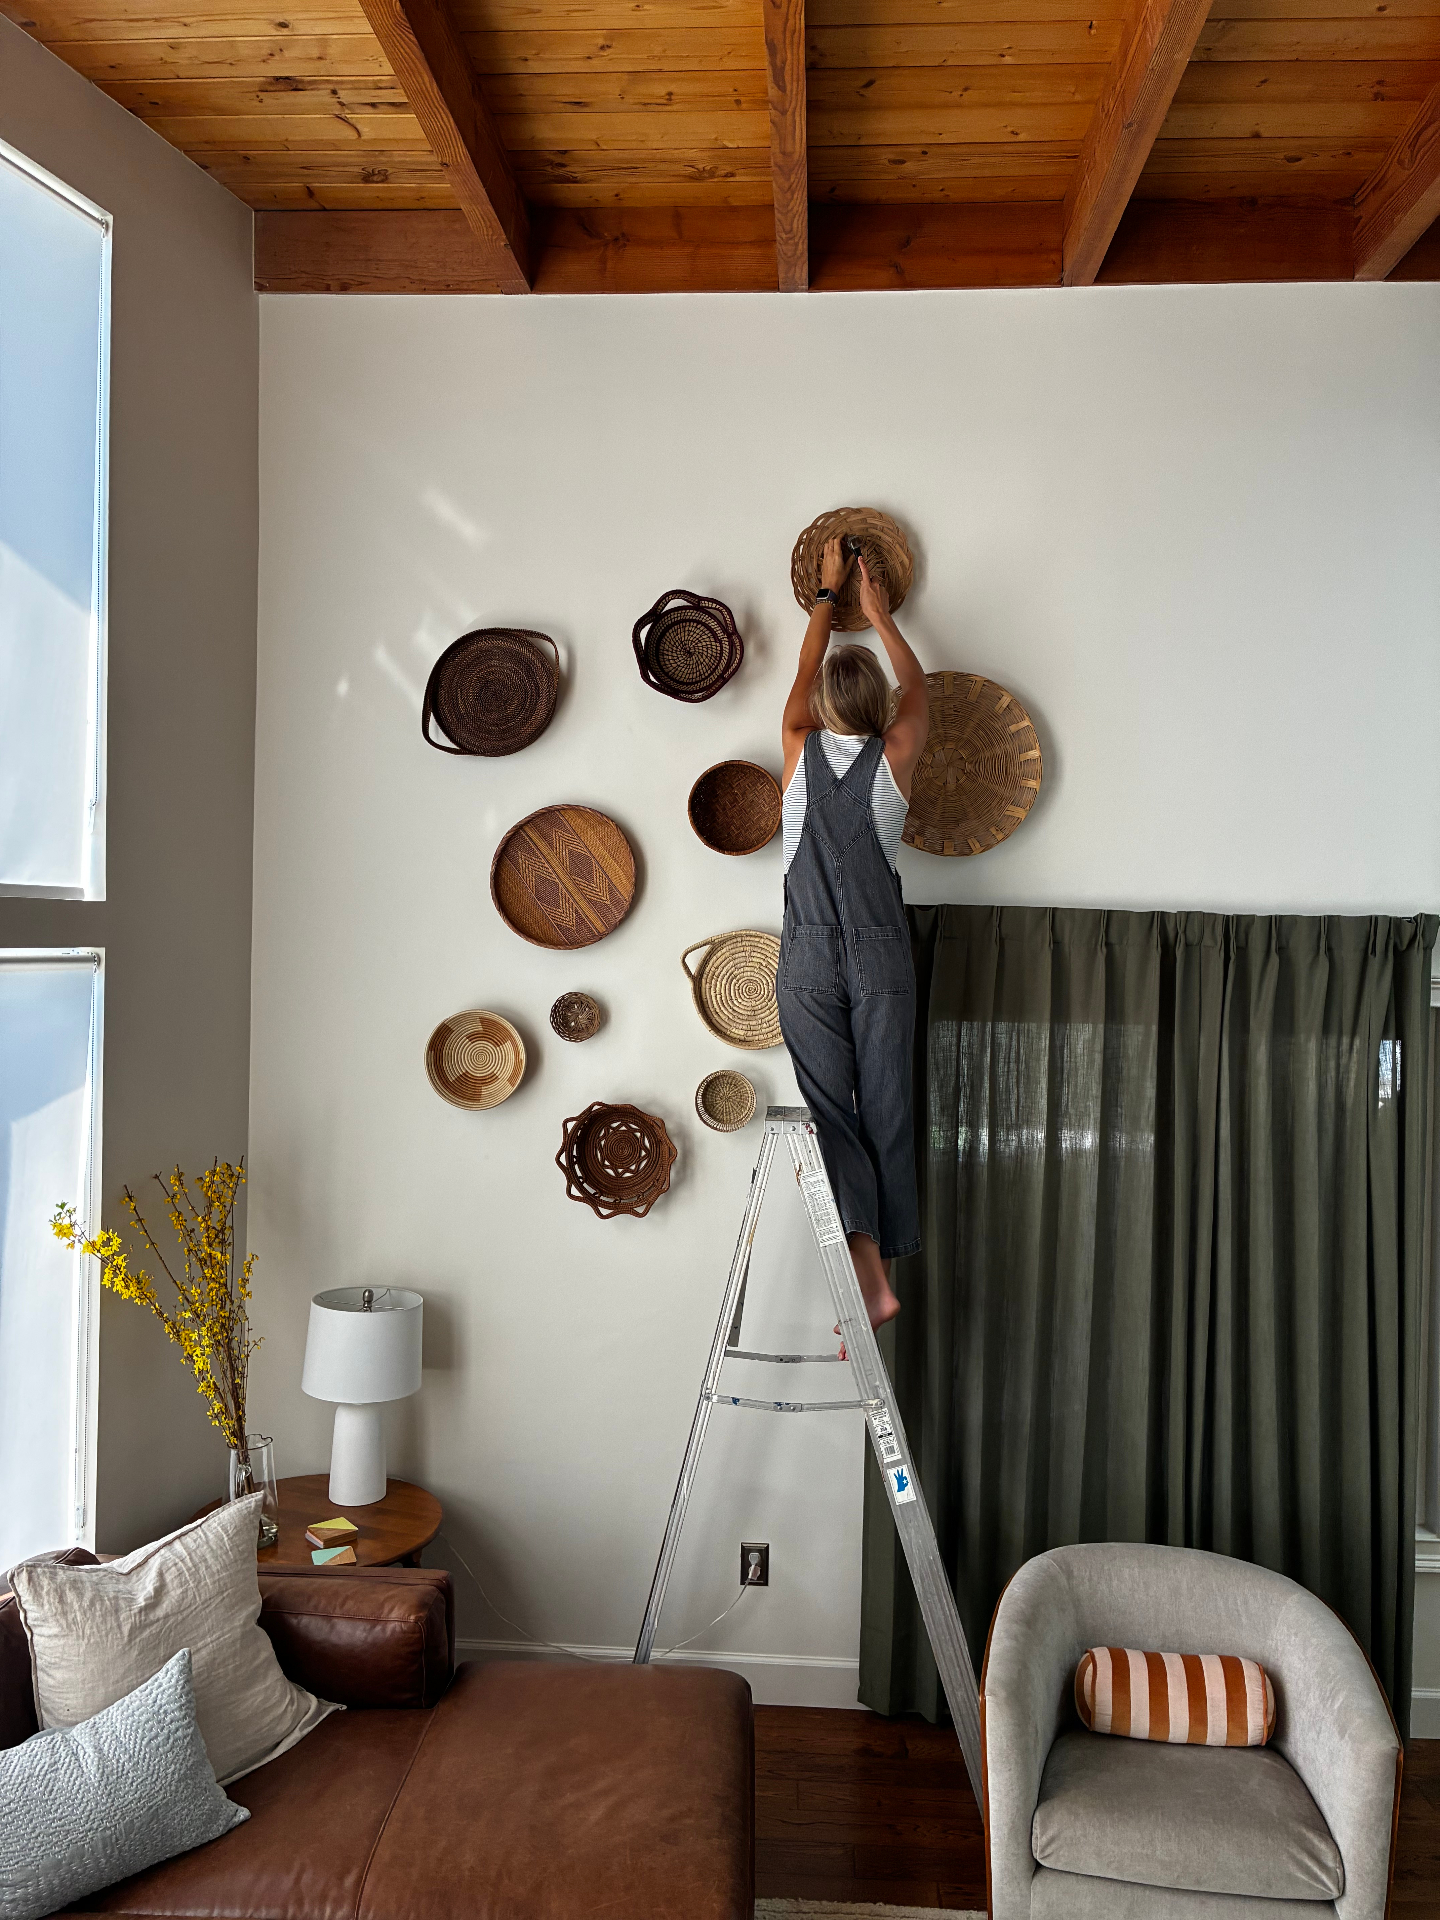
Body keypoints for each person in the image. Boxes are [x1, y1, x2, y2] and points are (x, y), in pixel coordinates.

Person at [776, 537, 929, 1331]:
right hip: (882, 957)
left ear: (824, 711)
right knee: (889, 1109)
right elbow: (918, 687)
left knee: (832, 1115)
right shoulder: (897, 757)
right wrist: (882, 616)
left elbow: (802, 675)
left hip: (805, 958)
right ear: (878, 713)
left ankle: (865, 1272)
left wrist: (827, 600)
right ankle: (882, 1264)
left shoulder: (797, 750)